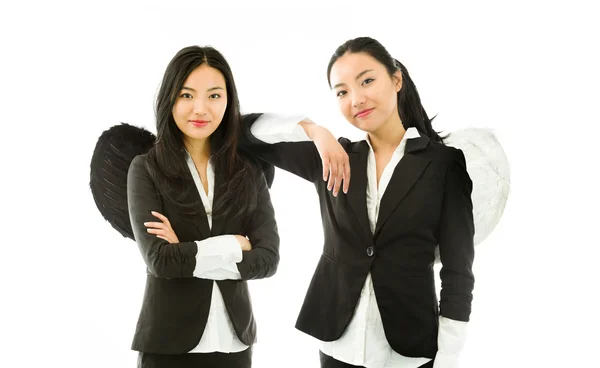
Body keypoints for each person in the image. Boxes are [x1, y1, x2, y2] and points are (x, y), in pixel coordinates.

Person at [240, 36, 475, 368]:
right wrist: (313, 130)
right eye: (342, 91)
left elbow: (458, 273)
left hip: (408, 352)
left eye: (367, 80)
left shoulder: (443, 164)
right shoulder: (334, 157)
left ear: (396, 80)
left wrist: (447, 358)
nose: (357, 98)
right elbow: (239, 130)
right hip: (337, 344)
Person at [126, 45, 280, 368]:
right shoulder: (146, 169)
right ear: (170, 98)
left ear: (228, 100)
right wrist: (234, 245)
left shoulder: (248, 170)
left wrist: (186, 249)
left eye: (213, 96)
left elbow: (268, 259)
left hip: (234, 346)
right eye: (186, 95)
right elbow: (160, 261)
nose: (200, 109)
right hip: (168, 348)